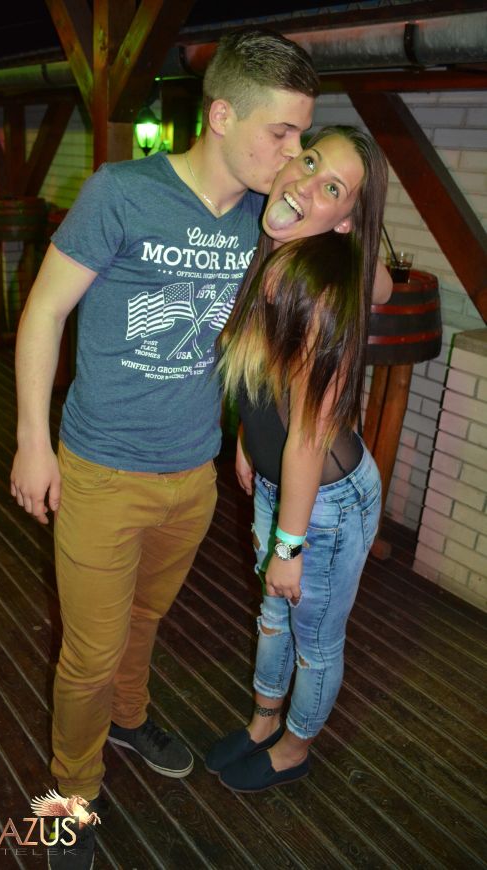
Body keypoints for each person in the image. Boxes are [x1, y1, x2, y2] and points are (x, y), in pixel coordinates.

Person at [10, 28, 319, 867]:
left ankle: (130, 719)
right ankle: (72, 794)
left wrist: (246, 435)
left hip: (193, 474)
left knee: (144, 621)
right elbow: (44, 312)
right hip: (103, 471)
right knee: (89, 655)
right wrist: (33, 443)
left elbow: (283, 327)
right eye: (281, 133)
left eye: (302, 135)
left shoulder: (262, 218)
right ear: (221, 116)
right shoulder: (122, 192)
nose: (293, 153)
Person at [204, 125, 391, 793]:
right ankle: (263, 723)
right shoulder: (283, 253)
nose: (306, 185)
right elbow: (381, 290)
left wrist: (290, 544)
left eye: (332, 188)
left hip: (326, 503)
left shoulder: (317, 291)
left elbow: (310, 436)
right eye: (310, 162)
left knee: (314, 643)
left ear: (345, 221)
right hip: (281, 482)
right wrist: (249, 443)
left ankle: (295, 748)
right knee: (271, 616)